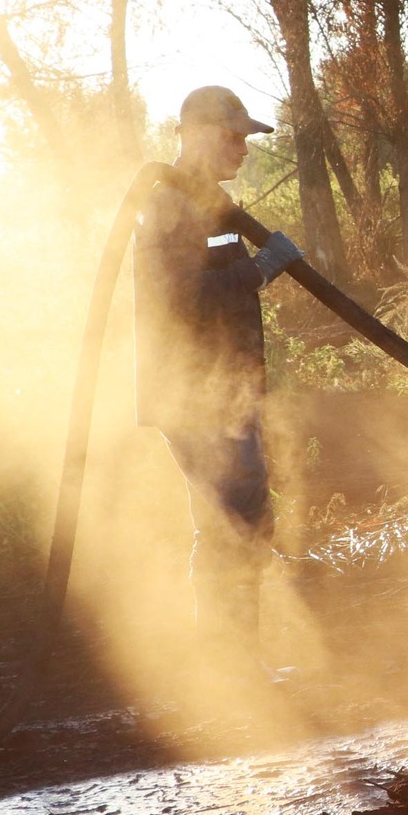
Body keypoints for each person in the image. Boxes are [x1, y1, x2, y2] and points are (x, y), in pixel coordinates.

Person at [135, 86, 304, 666]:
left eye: (246, 138)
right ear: (198, 134)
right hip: (193, 397)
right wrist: (260, 270)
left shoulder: (206, 204)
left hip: (222, 393)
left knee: (238, 513)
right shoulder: (171, 206)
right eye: (234, 137)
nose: (244, 149)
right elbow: (177, 300)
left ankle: (234, 655)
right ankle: (231, 659)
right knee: (235, 514)